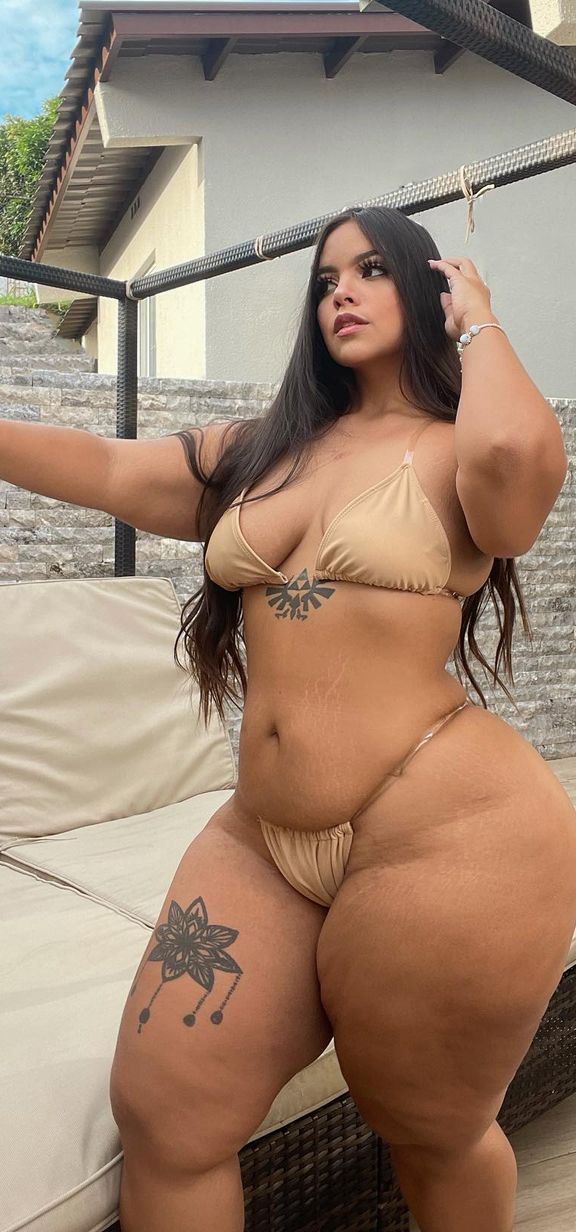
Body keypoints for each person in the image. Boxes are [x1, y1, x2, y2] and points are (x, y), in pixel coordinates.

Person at [2, 207, 574, 1232]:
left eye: (372, 269)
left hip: (450, 833)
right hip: (263, 836)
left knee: (429, 1128)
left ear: (427, 287)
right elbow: (108, 469)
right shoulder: (259, 452)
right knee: (167, 1113)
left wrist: (478, 318)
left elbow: (517, 457)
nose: (340, 291)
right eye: (324, 280)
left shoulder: (459, 454)